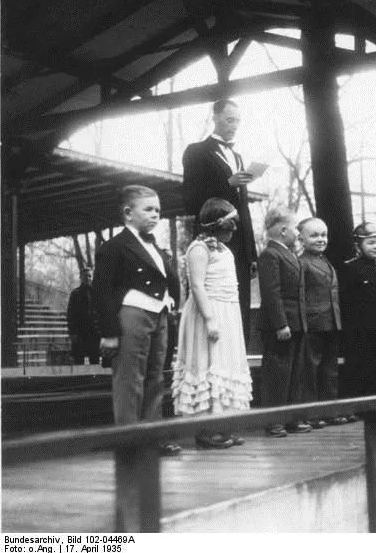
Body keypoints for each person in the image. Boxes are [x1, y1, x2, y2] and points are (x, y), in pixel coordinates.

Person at [93, 185, 181, 456]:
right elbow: (101, 291)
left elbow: (169, 279)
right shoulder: (115, 247)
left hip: (160, 314)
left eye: (158, 210)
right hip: (132, 314)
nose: (155, 215)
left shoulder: (156, 246)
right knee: (130, 379)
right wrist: (109, 332)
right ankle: (129, 442)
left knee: (155, 377)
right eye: (149, 209)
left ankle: (151, 437)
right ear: (128, 213)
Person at [171, 198, 252, 449]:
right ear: (216, 224)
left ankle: (223, 423)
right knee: (209, 362)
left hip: (228, 310)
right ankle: (205, 429)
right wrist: (209, 319)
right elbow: (196, 285)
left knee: (226, 364)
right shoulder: (199, 248)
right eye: (230, 224)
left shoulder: (224, 250)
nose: (234, 230)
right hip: (209, 311)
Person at [182, 99, 257, 344]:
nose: (235, 125)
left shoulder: (237, 156)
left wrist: (251, 252)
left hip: (240, 245)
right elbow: (192, 200)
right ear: (215, 117)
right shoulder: (196, 152)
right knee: (215, 302)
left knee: (240, 305)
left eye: (238, 120)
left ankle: (237, 361)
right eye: (229, 119)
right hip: (214, 241)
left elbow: (243, 210)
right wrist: (227, 185)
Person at [257, 207, 309, 437]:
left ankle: (291, 419)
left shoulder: (288, 254)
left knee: (294, 372)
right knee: (278, 373)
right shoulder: (270, 255)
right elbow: (271, 293)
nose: (298, 233)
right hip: (281, 325)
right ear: (283, 229)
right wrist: (281, 324)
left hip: (296, 323)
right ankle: (274, 421)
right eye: (296, 228)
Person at [297, 217, 346, 427]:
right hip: (313, 323)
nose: (320, 239)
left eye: (323, 235)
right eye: (314, 235)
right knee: (311, 370)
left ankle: (330, 411)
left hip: (331, 322)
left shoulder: (325, 260)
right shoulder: (301, 262)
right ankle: (312, 414)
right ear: (301, 238)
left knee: (330, 369)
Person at [339, 222, 376, 399]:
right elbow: (346, 303)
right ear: (358, 246)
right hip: (360, 332)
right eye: (371, 243)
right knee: (360, 370)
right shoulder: (350, 268)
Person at [67, 267, 101, 366]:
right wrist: (72, 333)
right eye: (85, 276)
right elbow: (70, 315)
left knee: (95, 361)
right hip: (80, 333)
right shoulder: (75, 294)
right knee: (78, 362)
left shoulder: (96, 293)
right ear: (80, 277)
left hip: (94, 334)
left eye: (90, 276)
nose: (88, 278)